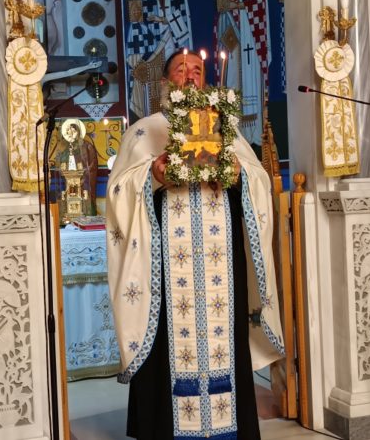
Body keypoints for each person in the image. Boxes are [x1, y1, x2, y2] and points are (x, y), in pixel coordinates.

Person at [106, 49, 284, 440]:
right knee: (166, 345)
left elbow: (259, 182)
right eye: (181, 70)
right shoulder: (145, 131)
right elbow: (119, 191)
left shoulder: (227, 131)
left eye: (197, 70)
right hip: (165, 268)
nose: (190, 76)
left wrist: (237, 175)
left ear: (206, 81)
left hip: (222, 266)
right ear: (165, 83)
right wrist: (153, 176)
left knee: (225, 341)